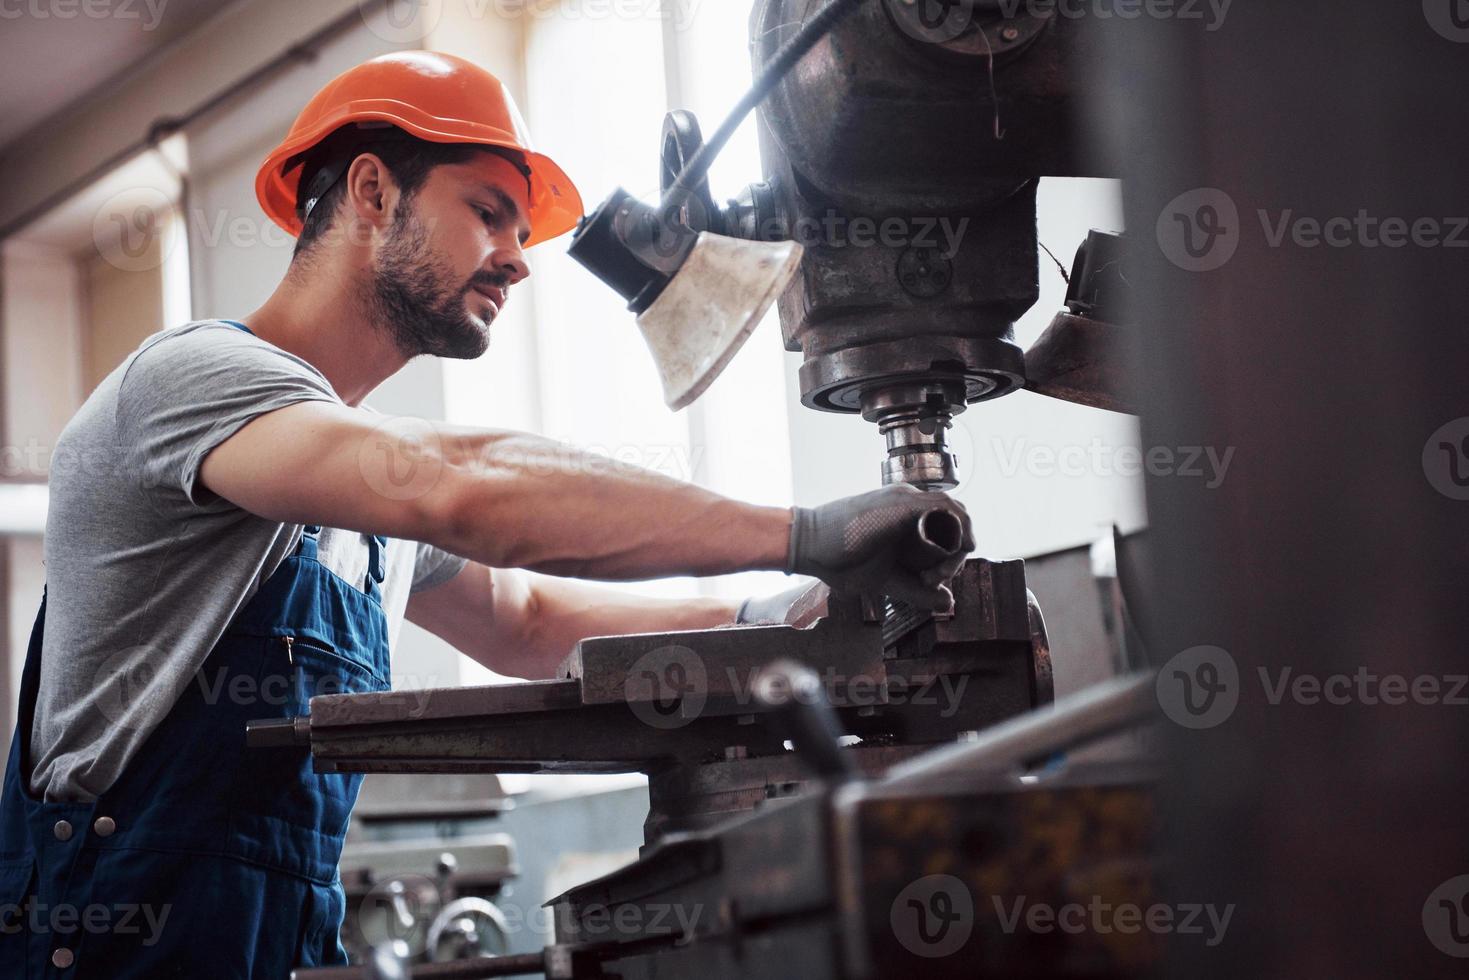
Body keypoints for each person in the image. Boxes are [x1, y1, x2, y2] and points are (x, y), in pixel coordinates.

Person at [0, 51, 973, 977]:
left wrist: (776, 619)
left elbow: (524, 621)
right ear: (373, 193)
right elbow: (458, 483)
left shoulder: (346, 468)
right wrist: (807, 530)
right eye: (489, 213)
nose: (518, 260)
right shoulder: (198, 382)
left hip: (274, 940)